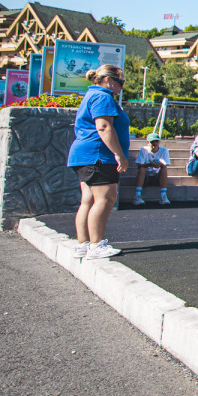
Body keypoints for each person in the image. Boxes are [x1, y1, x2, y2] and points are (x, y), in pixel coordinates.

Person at [66, 64, 129, 260]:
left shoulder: (91, 95)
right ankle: (96, 244)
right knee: (105, 198)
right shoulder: (103, 96)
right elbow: (103, 126)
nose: (122, 88)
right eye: (121, 82)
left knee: (88, 200)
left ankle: (84, 244)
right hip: (98, 155)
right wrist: (118, 154)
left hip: (84, 156)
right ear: (108, 81)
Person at [133, 132, 172, 206]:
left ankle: (163, 195)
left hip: (157, 176)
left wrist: (159, 164)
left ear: (159, 142)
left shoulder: (164, 151)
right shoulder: (143, 150)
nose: (154, 143)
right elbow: (139, 165)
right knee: (142, 169)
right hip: (145, 177)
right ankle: (137, 195)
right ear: (148, 143)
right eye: (152, 142)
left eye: (156, 141)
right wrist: (150, 164)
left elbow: (165, 164)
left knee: (164, 169)